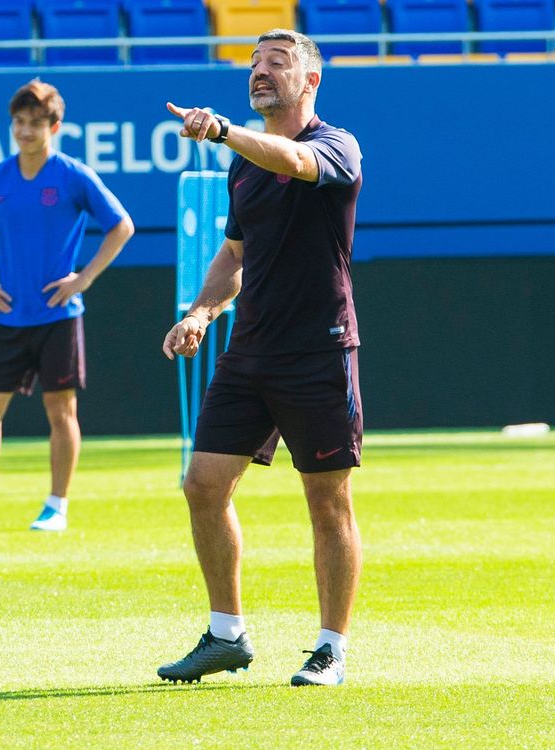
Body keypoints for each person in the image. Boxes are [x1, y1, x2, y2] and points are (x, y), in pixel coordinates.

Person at [156, 30, 364, 687]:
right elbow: (234, 254)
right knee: (203, 485)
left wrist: (223, 131)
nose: (260, 72)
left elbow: (295, 162)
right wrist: (200, 312)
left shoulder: (336, 145)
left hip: (318, 350)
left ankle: (330, 649)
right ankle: (227, 635)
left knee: (326, 502)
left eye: (277, 63)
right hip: (250, 351)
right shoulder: (242, 165)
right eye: (254, 64)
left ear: (311, 81)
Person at [0, 79, 135, 534]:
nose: (25, 131)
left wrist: (83, 278)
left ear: (54, 127)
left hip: (59, 316)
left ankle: (56, 506)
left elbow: (121, 225)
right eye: (19, 122)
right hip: (9, 317)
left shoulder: (73, 175)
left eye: (35, 123)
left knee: (61, 412)